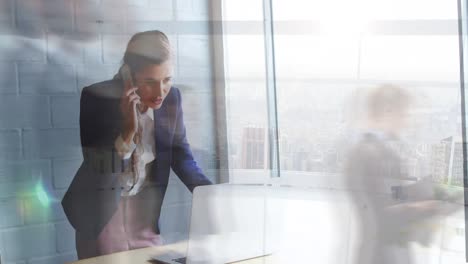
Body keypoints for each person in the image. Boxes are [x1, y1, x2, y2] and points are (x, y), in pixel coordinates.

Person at [61, 30, 212, 259]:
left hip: (144, 216)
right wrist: (128, 131)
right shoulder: (97, 98)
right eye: (150, 81)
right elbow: (98, 166)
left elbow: (180, 155)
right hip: (103, 213)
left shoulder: (173, 98)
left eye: (167, 80)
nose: (160, 91)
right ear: (129, 76)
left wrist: (210, 193)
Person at [345, 84, 460, 264]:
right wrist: (428, 205)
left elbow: (393, 193)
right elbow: (385, 210)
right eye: (404, 114)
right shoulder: (371, 153)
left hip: (386, 252)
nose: (407, 121)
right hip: (382, 255)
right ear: (388, 111)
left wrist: (428, 189)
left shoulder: (376, 150)